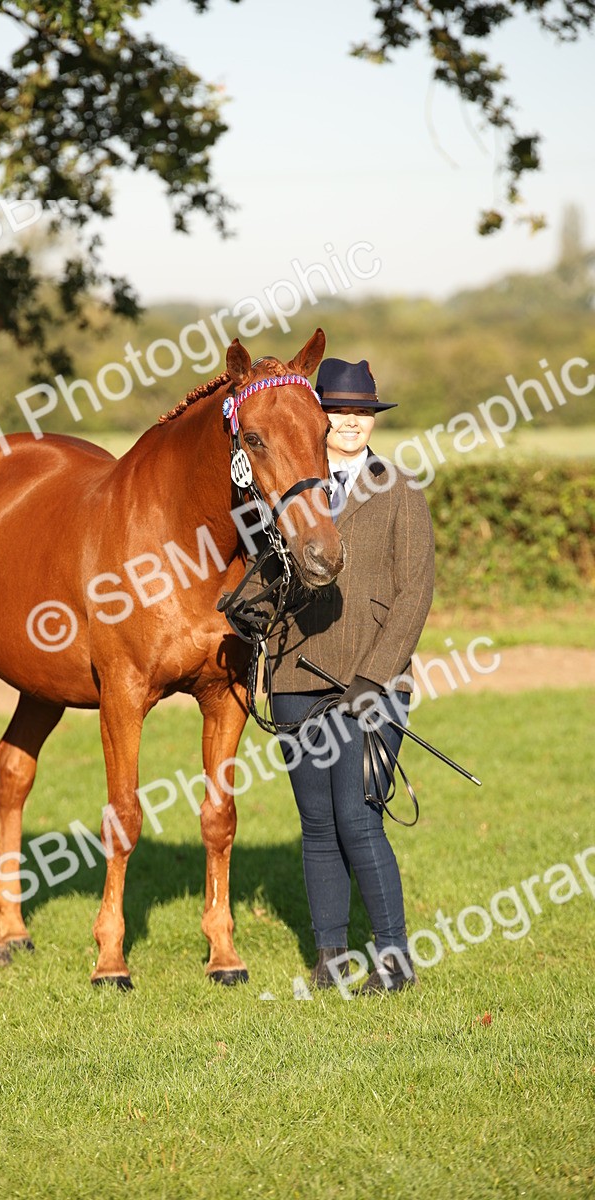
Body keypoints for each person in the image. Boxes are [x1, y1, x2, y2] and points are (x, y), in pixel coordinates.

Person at [268, 357, 434, 993]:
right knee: (315, 823)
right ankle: (331, 957)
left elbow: (415, 591)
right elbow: (265, 579)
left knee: (357, 817)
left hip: (373, 688)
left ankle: (394, 961)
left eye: (363, 413)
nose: (353, 424)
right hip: (296, 679)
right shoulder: (285, 491)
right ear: (319, 420)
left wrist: (376, 677)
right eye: (340, 414)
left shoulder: (398, 488)